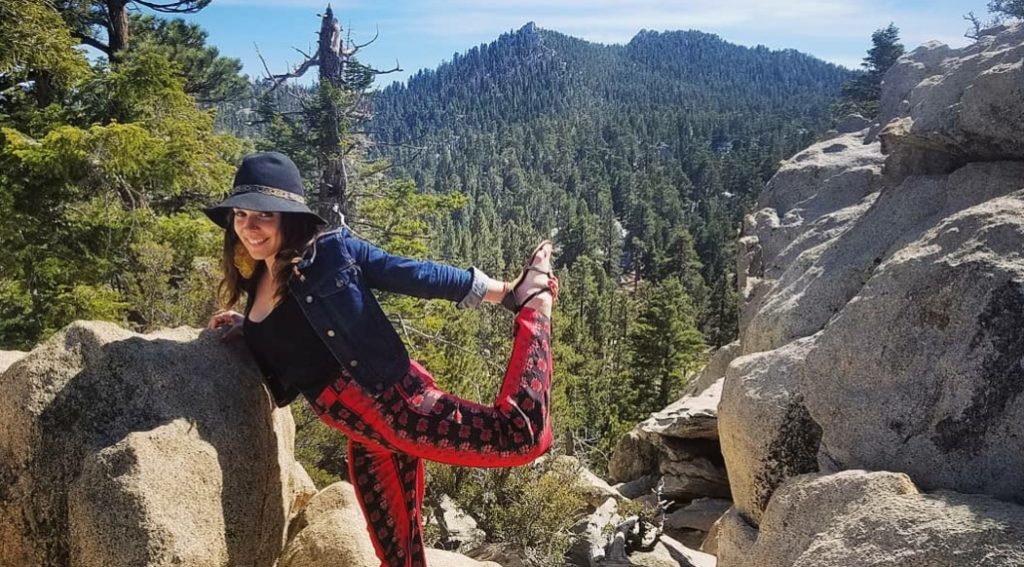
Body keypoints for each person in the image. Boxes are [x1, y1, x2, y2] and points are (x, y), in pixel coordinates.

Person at [204, 151, 557, 567]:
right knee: (398, 556)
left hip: (399, 407)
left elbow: (411, 274)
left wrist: (507, 293)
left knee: (521, 435)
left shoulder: (331, 253)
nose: (250, 226)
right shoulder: (257, 283)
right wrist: (250, 329)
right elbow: (292, 341)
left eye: (264, 214)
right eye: (241, 215)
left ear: (287, 217)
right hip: (366, 436)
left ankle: (537, 305)